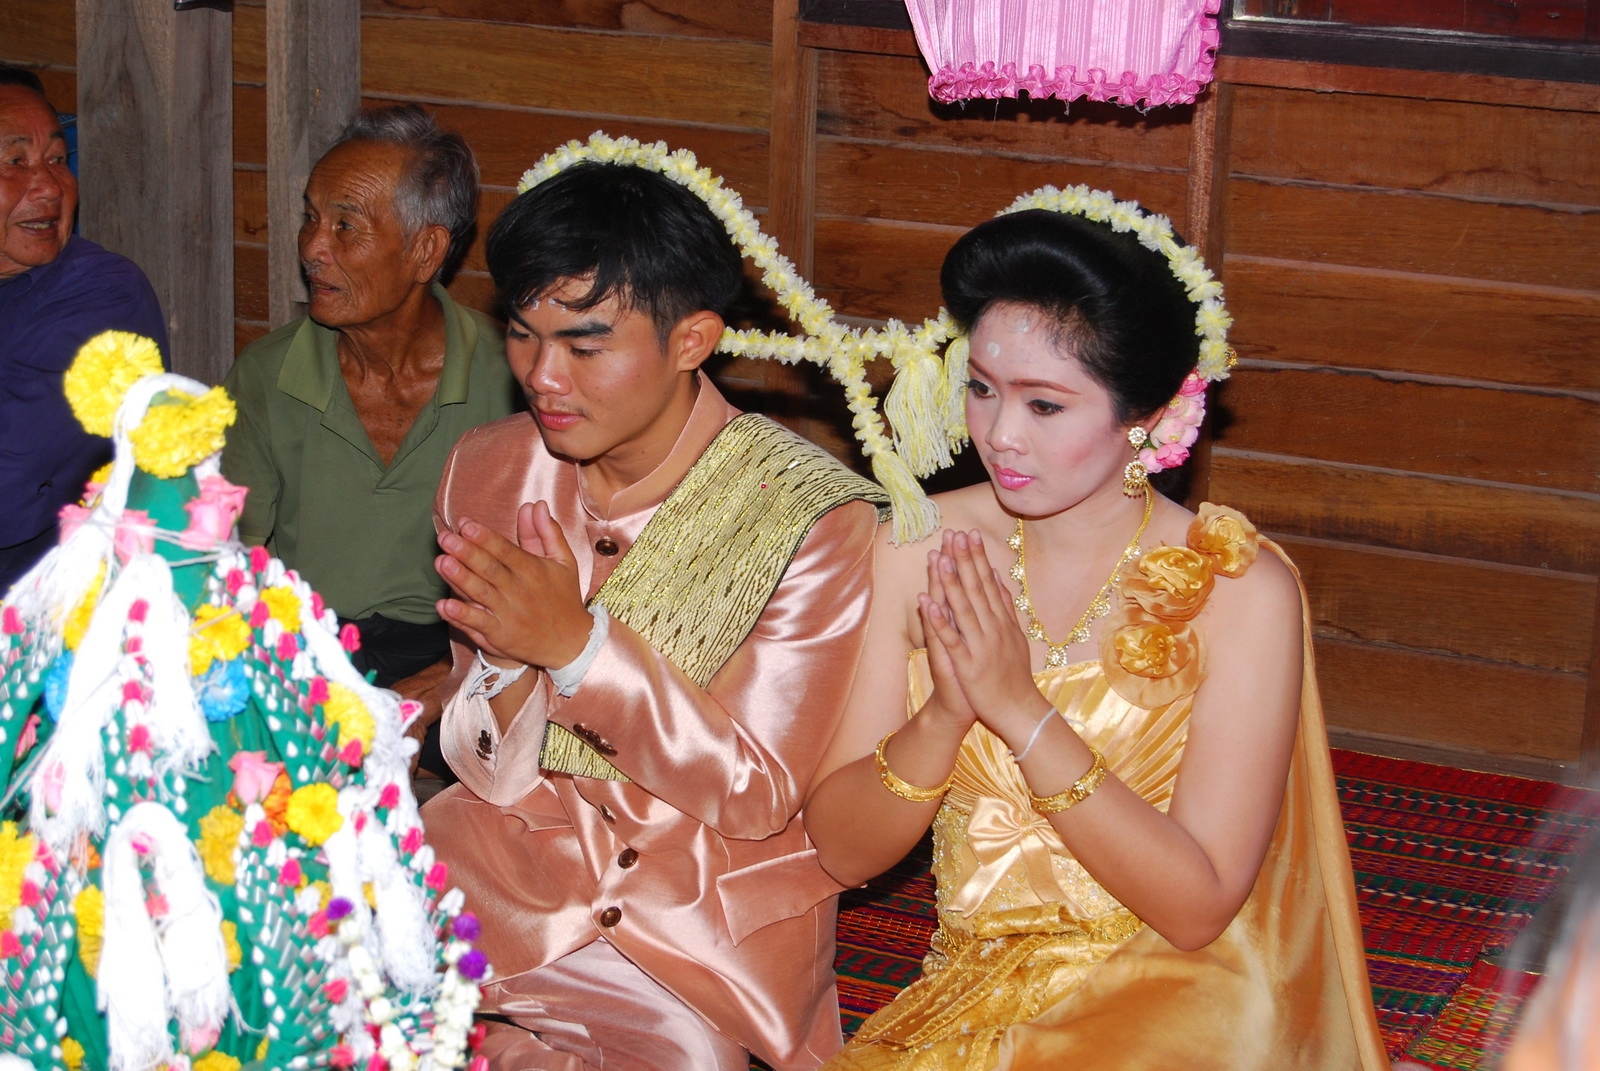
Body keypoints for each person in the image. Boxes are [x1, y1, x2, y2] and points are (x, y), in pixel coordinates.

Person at [804, 197, 1389, 1069]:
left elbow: (1197, 908)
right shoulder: (915, 547)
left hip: (1186, 990)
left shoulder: (1237, 588)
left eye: (1045, 406)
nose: (1000, 434)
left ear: (1144, 411)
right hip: (971, 994)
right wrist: (945, 716)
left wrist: (1019, 708)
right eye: (982, 388)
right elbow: (839, 850)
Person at [419, 156, 887, 1071]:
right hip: (500, 871)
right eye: (522, 335)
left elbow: (756, 792)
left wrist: (577, 647)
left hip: (691, 924)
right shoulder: (488, 467)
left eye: (585, 347)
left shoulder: (809, 515)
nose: (543, 376)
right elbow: (485, 764)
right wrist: (509, 662)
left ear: (692, 340)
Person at [221, 103, 520, 774]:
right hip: (306, 653)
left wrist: (438, 686)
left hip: (465, 662)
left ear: (425, 251)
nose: (312, 247)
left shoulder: (511, 376)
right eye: (311, 218)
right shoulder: (268, 376)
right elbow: (227, 562)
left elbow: (561, 573)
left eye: (345, 226)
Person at [0, 63, 168, 593]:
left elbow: (13, 484)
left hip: (41, 611)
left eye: (57, 159)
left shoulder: (103, 297)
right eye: (15, 162)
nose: (49, 187)